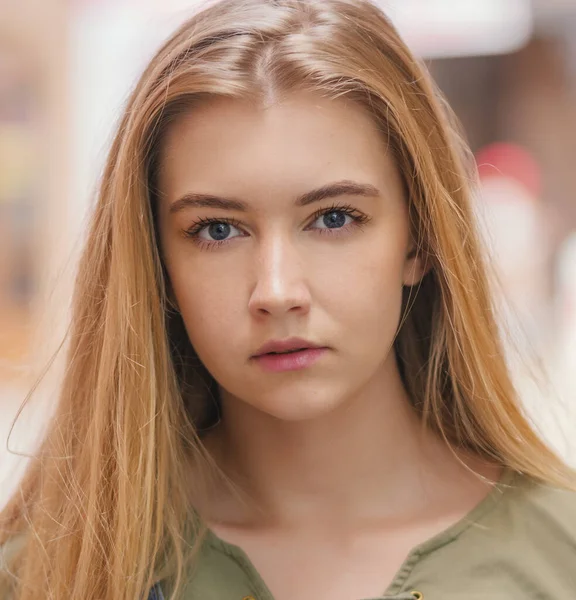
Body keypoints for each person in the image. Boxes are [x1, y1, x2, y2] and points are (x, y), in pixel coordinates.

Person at [1, 0, 575, 598]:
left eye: (333, 218)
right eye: (217, 229)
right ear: (157, 264)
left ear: (420, 238)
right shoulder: (50, 572)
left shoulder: (559, 556)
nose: (276, 291)